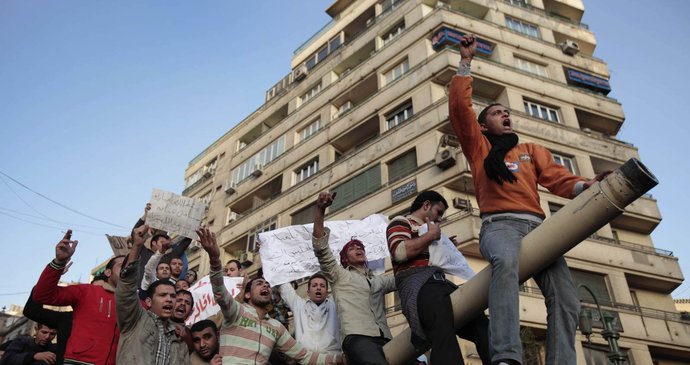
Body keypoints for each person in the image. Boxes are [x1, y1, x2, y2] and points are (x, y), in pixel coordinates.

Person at [449, 34, 609, 365]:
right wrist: (465, 62)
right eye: (495, 112)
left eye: (507, 111)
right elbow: (460, 110)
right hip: (500, 226)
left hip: (538, 228)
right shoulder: (479, 148)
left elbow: (560, 181)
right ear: (484, 125)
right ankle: (506, 357)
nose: (504, 114)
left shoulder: (531, 151)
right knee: (505, 267)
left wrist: (588, 185)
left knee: (566, 297)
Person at [195, 227, 342, 364]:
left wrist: (340, 360)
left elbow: (305, 356)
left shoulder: (276, 327)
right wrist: (214, 259)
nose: (266, 285)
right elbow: (220, 292)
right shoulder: (236, 312)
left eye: (267, 284)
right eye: (259, 283)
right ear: (246, 294)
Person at [387, 190, 490, 364]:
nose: (440, 219)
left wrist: (442, 246)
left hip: (441, 285)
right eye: (438, 212)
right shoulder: (400, 222)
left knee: (483, 326)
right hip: (421, 287)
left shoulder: (430, 233)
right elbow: (399, 252)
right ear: (426, 205)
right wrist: (430, 237)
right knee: (443, 333)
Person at [311, 192, 396, 365]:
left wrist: (436, 255)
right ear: (344, 258)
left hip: (386, 338)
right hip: (358, 339)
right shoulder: (339, 275)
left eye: (360, 247)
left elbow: (403, 277)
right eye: (352, 248)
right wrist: (320, 210)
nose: (358, 249)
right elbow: (320, 247)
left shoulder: (379, 280)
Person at [31, 230, 122, 365]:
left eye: (132, 266)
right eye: (122, 266)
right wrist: (58, 262)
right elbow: (42, 295)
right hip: (78, 361)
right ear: (108, 272)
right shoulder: (85, 291)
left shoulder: (137, 304)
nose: (128, 269)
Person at [115, 224, 189, 365]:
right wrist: (137, 246)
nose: (169, 300)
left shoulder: (179, 336)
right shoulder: (135, 319)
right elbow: (126, 287)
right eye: (162, 295)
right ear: (148, 301)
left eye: (173, 296)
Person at [279, 273, 340, 354]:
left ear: (327, 292)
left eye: (322, 286)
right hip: (306, 359)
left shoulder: (335, 305)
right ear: (308, 292)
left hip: (333, 358)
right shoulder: (299, 306)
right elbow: (285, 288)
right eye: (314, 285)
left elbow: (343, 284)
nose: (318, 288)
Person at [132, 203, 192, 284]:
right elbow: (135, 233)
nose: (165, 244)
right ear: (153, 243)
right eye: (162, 242)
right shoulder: (143, 253)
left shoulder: (168, 257)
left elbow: (184, 244)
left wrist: (194, 225)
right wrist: (145, 216)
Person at [22, 290, 72, 365]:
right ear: (36, 330)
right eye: (44, 332)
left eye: (52, 333)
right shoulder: (22, 343)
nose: (47, 337)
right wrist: (33, 356)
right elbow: (32, 310)